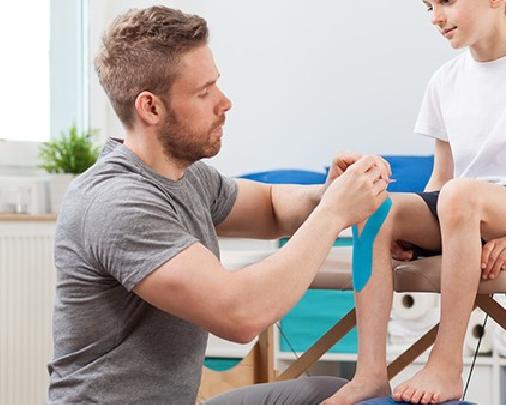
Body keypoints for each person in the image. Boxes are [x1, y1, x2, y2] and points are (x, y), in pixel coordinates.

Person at [47, 6, 391, 404]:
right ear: (151, 108)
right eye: (204, 91)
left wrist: (328, 193)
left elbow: (270, 206)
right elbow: (239, 313)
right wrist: (334, 213)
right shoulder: (116, 203)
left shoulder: (185, 175)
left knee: (335, 393)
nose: (224, 102)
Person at [324, 0, 506, 403]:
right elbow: (441, 178)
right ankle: (369, 372)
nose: (436, 17)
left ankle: (446, 364)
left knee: (460, 194)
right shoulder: (445, 80)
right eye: (428, 6)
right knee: (374, 203)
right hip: (465, 205)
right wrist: (413, 236)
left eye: (447, 1)